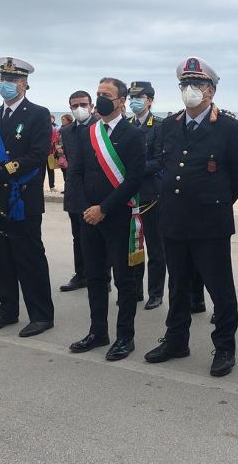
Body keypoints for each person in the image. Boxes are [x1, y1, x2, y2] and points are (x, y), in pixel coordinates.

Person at [145, 56, 238, 377]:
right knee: (177, 285)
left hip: (210, 222)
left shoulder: (228, 126)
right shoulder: (170, 124)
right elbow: (164, 166)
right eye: (186, 84)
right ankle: (177, 339)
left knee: (220, 287)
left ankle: (224, 347)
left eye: (199, 85)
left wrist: (216, 202)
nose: (191, 90)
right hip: (174, 219)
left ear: (212, 90)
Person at [0, 57, 55, 338]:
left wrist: (5, 169)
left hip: (22, 197)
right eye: (2, 79)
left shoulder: (38, 114)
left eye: (11, 80)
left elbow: (37, 155)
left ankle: (41, 315)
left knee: (29, 257)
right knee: (3, 258)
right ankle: (7, 311)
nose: (5, 84)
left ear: (24, 84)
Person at [68, 78, 145, 361]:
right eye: (98, 93)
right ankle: (97, 331)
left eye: (106, 95)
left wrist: (104, 208)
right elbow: (75, 173)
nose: (100, 99)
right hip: (89, 218)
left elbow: (134, 179)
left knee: (124, 280)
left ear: (121, 101)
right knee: (95, 277)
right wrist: (86, 208)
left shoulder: (133, 134)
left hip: (118, 217)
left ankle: (125, 337)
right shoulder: (89, 132)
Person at [127, 81, 167, 310]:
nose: (135, 100)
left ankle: (156, 292)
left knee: (155, 245)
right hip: (132, 194)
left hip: (153, 193)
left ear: (150, 100)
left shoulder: (159, 125)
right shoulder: (127, 124)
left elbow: (160, 160)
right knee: (134, 243)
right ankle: (136, 290)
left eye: (139, 97)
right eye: (132, 96)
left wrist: (134, 169)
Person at [59, 91, 97, 292]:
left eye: (83, 104)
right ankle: (81, 274)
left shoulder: (101, 126)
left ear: (91, 106)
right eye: (74, 106)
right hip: (75, 191)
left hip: (97, 192)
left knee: (99, 237)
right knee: (78, 236)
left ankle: (102, 277)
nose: (79, 109)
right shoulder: (66, 131)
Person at [46, 115, 60, 192]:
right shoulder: (43, 127)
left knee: (51, 169)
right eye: (49, 118)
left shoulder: (56, 128)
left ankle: (52, 186)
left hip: (51, 153)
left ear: (54, 119)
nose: (50, 119)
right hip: (43, 153)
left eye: (52, 118)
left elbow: (57, 139)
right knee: (41, 171)